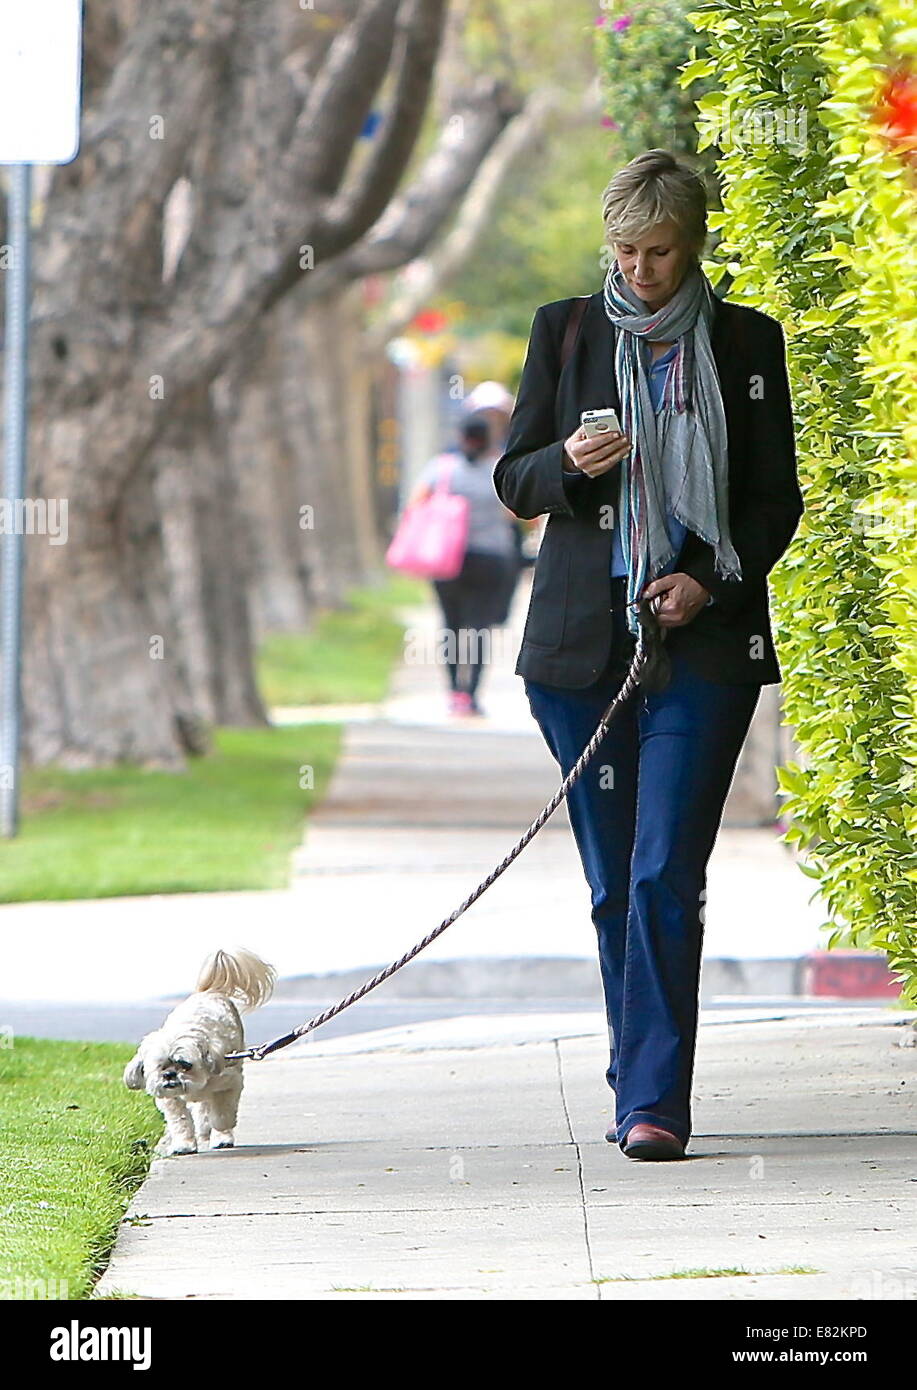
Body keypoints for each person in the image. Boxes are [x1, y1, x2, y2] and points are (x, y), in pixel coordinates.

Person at [493, 149, 804, 1161]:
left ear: (692, 244)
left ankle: (654, 1102)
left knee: (664, 868)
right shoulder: (564, 330)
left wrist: (706, 580)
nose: (638, 269)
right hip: (581, 651)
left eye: (658, 251)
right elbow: (513, 480)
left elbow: (771, 503)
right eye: (623, 250)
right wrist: (566, 468)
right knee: (608, 878)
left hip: (702, 645)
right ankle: (637, 1072)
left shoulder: (747, 344)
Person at [407, 413, 518, 716]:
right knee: (480, 627)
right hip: (492, 558)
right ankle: (471, 695)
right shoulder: (499, 469)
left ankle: (455, 690)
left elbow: (416, 505)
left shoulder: (442, 469)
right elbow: (521, 514)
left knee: (451, 626)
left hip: (446, 560)